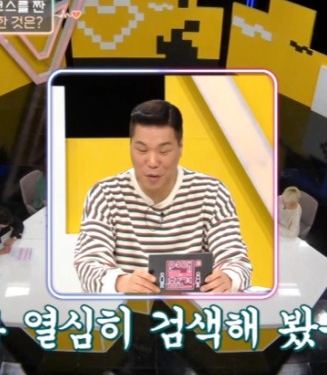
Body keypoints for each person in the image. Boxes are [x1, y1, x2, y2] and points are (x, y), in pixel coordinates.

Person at [73, 99, 253, 293]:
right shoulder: (105, 194)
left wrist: (228, 278)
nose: (152, 161)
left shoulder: (212, 192)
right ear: (130, 146)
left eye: (164, 151)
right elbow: (88, 263)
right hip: (126, 309)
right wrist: (121, 282)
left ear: (180, 147)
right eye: (142, 150)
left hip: (194, 308)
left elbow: (237, 261)